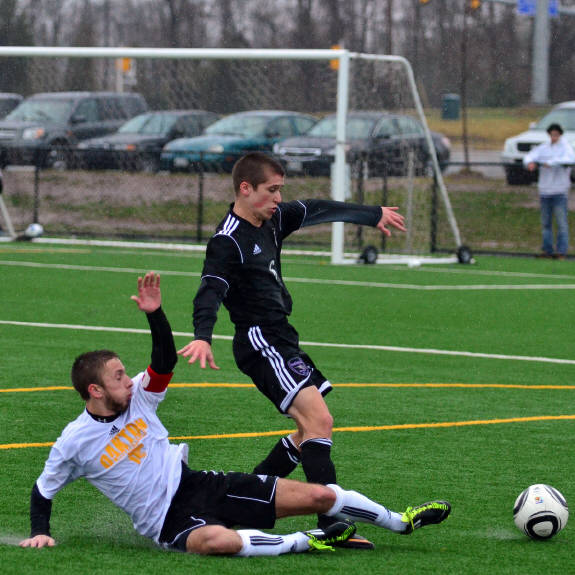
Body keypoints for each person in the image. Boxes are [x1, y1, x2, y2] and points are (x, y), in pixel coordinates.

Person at [19, 272, 451, 556]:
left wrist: (155, 315)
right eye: (117, 377)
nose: (127, 381)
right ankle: (309, 541)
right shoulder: (74, 441)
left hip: (202, 486)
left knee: (320, 496)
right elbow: (43, 489)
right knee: (216, 541)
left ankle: (400, 522)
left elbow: (163, 362)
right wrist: (40, 531)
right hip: (167, 522)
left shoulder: (139, 399)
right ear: (94, 391)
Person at [178, 152, 407, 548]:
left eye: (280, 189)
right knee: (320, 420)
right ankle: (332, 525)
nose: (278, 198)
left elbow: (316, 208)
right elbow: (210, 289)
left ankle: (240, 506)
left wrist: (371, 214)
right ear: (245, 189)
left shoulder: (273, 219)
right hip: (259, 340)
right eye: (271, 190)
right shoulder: (227, 240)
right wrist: (203, 335)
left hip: (282, 337)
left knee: (306, 434)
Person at [524, 123, 575, 260]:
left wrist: (551, 162)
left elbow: (571, 159)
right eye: (552, 134)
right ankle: (547, 250)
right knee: (546, 224)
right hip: (545, 191)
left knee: (561, 223)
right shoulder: (543, 148)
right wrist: (530, 163)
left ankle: (561, 252)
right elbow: (529, 156)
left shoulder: (566, 148)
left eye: (556, 135)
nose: (554, 137)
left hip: (559, 191)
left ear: (560, 135)